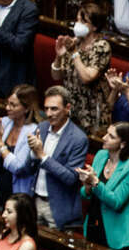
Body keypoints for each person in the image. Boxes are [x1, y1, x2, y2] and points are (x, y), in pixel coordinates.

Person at [28, 85, 89, 230]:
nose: (49, 114)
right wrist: (33, 154)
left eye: (54, 109)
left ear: (67, 108)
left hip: (57, 208)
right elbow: (29, 165)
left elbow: (71, 177)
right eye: (46, 108)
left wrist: (42, 155)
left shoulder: (78, 139)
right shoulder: (42, 127)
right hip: (35, 201)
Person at [78, 121, 129, 250]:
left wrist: (96, 183)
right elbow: (86, 195)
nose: (104, 138)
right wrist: (87, 185)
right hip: (93, 223)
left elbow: (116, 202)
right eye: (106, 133)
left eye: (111, 136)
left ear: (123, 144)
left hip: (116, 232)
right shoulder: (101, 155)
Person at [50, 1, 112, 136]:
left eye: (83, 22)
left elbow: (87, 77)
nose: (78, 24)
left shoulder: (101, 46)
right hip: (71, 109)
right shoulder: (75, 42)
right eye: (78, 20)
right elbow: (56, 76)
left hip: (91, 113)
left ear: (95, 26)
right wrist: (58, 56)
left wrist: (74, 53)